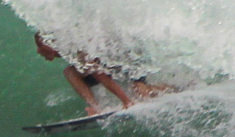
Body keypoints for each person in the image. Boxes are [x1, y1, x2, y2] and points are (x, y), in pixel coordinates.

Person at [33, 32, 166, 116]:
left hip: (130, 58)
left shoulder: (79, 50)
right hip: (111, 65)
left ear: (49, 44)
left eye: (40, 45)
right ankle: (95, 107)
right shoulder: (66, 49)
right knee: (70, 71)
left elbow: (100, 75)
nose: (38, 51)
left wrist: (126, 101)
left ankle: (172, 88)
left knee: (141, 92)